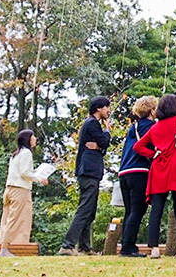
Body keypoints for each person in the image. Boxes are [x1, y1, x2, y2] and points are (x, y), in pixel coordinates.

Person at [133, 93, 176, 260]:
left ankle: (154, 249)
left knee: (156, 209)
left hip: (159, 167)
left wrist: (153, 153)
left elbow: (138, 146)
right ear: (175, 107)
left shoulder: (155, 127)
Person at [58, 96, 111, 256]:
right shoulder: (93, 123)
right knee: (85, 209)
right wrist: (107, 130)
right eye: (107, 107)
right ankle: (67, 245)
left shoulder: (90, 124)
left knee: (90, 210)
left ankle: (85, 247)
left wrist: (99, 146)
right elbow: (105, 142)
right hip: (88, 171)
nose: (108, 110)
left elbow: (101, 147)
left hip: (89, 172)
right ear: (98, 108)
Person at [118, 95, 158, 257]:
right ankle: (128, 247)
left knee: (129, 210)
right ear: (151, 110)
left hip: (124, 172)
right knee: (138, 209)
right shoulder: (151, 127)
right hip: (139, 170)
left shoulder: (133, 127)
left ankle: (127, 244)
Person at [0, 130, 49, 257]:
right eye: (33, 137)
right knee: (16, 220)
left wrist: (36, 173)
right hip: (19, 190)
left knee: (7, 219)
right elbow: (25, 173)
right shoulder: (26, 153)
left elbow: (24, 171)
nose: (35, 139)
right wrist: (40, 179)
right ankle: (4, 249)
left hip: (9, 189)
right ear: (28, 139)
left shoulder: (16, 154)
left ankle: (5, 247)